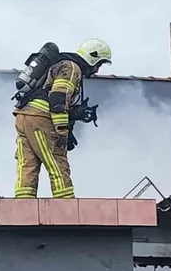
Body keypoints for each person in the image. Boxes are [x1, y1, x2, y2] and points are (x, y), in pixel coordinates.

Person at [12, 39, 112, 199]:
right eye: (98, 64)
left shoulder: (59, 64)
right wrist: (62, 131)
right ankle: (66, 206)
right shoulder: (72, 68)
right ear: (92, 58)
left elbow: (49, 96)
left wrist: (75, 114)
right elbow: (58, 97)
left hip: (24, 116)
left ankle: (24, 205)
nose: (96, 70)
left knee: (27, 165)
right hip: (40, 119)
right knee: (57, 163)